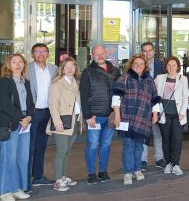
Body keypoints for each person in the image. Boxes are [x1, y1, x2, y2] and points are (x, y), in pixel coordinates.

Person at [112, 54, 160, 185]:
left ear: (145, 66)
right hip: (126, 117)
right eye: (136, 64)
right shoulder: (124, 78)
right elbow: (116, 98)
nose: (138, 66)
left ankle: (137, 169)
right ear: (131, 65)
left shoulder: (149, 80)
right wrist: (117, 115)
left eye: (141, 64)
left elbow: (155, 99)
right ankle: (128, 172)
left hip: (143, 118)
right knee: (128, 146)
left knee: (139, 146)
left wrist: (155, 114)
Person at [80, 45, 121, 184]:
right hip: (94, 117)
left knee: (106, 144)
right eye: (96, 54)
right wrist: (88, 115)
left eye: (102, 53)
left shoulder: (115, 71)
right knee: (92, 144)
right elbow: (83, 96)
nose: (100, 56)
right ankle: (91, 173)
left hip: (109, 116)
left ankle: (103, 171)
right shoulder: (87, 72)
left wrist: (118, 113)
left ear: (106, 53)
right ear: (92, 55)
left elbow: (120, 93)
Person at [0, 54, 33, 201]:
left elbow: (31, 103)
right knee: (9, 158)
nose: (17, 65)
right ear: (8, 65)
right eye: (14, 62)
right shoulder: (4, 82)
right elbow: (5, 104)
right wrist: (21, 118)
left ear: (24, 65)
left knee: (22, 157)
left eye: (20, 62)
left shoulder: (25, 82)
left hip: (25, 122)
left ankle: (17, 188)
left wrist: (29, 117)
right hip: (12, 122)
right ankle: (5, 191)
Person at [46, 57, 82, 192]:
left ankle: (64, 176)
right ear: (62, 69)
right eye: (67, 67)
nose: (70, 69)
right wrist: (57, 122)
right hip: (62, 122)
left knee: (67, 151)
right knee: (61, 151)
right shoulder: (57, 84)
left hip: (75, 121)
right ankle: (58, 180)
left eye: (72, 66)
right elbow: (53, 105)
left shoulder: (76, 82)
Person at [28, 43, 58, 187]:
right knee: (29, 146)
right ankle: (25, 178)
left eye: (43, 51)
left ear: (48, 54)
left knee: (41, 146)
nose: (40, 54)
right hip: (32, 113)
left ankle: (38, 176)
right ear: (32, 54)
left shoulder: (54, 68)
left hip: (47, 112)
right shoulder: (26, 69)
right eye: (37, 51)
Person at [154, 56, 189, 176]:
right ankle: (168, 163)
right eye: (169, 65)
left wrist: (183, 112)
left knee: (178, 140)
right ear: (166, 66)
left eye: (174, 65)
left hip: (178, 114)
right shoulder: (159, 78)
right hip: (164, 114)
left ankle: (176, 164)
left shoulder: (183, 79)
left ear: (178, 66)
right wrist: (156, 111)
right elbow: (155, 96)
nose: (171, 67)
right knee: (166, 139)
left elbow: (185, 96)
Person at [140, 42, 166, 170]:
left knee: (157, 133)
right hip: (142, 105)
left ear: (154, 52)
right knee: (144, 133)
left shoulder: (161, 65)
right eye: (145, 51)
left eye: (150, 50)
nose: (147, 53)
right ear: (142, 52)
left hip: (157, 103)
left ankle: (159, 158)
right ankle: (143, 160)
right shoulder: (138, 64)